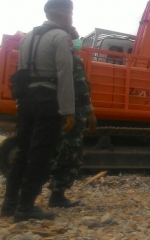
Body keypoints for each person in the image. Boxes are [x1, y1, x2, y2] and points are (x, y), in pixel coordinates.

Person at [1, 0, 76, 222]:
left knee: (23, 151)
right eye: (71, 14)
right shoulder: (61, 37)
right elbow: (64, 75)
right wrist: (68, 111)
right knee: (41, 154)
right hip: (47, 100)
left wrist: (20, 101)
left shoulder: (27, 38)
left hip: (27, 100)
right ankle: (26, 208)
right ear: (64, 14)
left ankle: (9, 204)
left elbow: (21, 72)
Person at [47, 27, 97, 208]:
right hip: (73, 110)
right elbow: (81, 87)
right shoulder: (72, 58)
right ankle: (57, 194)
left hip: (55, 108)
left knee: (56, 149)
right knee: (70, 152)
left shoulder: (50, 54)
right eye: (76, 38)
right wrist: (90, 112)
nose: (78, 42)